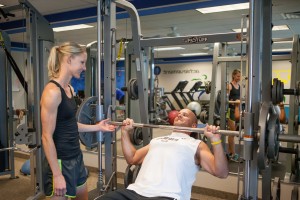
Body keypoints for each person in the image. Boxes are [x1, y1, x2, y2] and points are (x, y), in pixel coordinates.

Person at [40, 42, 116, 200]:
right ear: (68, 59)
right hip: (61, 162)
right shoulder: (52, 92)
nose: (85, 67)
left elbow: (70, 125)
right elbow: (46, 136)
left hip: (76, 157)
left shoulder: (70, 89)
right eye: (82, 62)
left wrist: (97, 127)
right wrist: (57, 174)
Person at [100, 108, 228, 200]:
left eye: (185, 115)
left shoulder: (196, 144)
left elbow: (221, 172)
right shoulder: (157, 140)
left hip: (167, 195)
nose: (179, 115)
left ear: (194, 125)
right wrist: (124, 132)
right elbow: (132, 158)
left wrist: (216, 141)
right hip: (134, 191)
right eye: (178, 113)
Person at [227, 69, 242, 162]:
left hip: (237, 110)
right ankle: (233, 154)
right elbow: (225, 99)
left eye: (240, 76)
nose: (239, 78)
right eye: (238, 76)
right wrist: (232, 102)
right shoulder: (229, 85)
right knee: (232, 133)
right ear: (233, 76)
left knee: (234, 133)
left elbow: (239, 98)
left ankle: (229, 152)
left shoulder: (239, 86)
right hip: (230, 110)